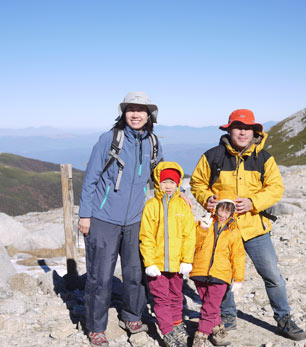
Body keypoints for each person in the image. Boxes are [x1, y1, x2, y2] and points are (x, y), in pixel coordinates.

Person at [190, 109, 306, 341]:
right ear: (229, 130)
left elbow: (275, 188)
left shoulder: (264, 158)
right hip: (222, 227)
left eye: (247, 128)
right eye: (237, 127)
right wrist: (206, 199)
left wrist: (253, 202)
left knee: (272, 275)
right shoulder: (212, 156)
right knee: (221, 274)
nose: (242, 132)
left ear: (255, 132)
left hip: (255, 227)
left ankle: (283, 318)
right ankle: (227, 314)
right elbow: (197, 183)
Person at [78, 92, 163, 347]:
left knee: (135, 272)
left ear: (149, 115)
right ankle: (96, 327)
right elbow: (91, 178)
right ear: (124, 113)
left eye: (141, 110)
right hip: (104, 218)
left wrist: (176, 200)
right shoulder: (110, 139)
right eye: (130, 109)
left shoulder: (154, 142)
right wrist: (85, 214)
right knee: (100, 276)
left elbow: (160, 177)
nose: (135, 114)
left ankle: (132, 316)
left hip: (137, 219)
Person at [139, 161, 196, 347]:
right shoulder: (151, 206)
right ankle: (167, 331)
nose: (169, 186)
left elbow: (189, 235)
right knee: (161, 299)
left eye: (173, 182)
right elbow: (146, 236)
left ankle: (177, 322)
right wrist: (149, 263)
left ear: (178, 183)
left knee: (176, 295)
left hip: (177, 264)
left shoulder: (183, 206)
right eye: (165, 182)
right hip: (157, 265)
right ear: (158, 183)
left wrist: (187, 260)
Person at [190, 193, 245, 347]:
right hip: (199, 272)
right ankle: (218, 329)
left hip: (221, 275)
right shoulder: (204, 223)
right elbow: (193, 243)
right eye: (221, 209)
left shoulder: (234, 232)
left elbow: (238, 256)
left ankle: (200, 336)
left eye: (227, 211)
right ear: (216, 208)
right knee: (210, 305)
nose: (223, 214)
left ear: (233, 212)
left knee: (209, 307)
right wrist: (201, 229)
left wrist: (238, 278)